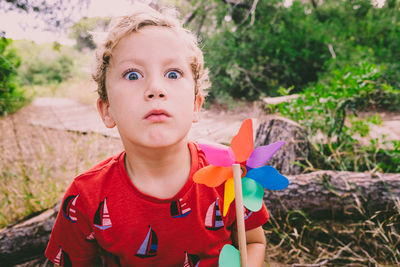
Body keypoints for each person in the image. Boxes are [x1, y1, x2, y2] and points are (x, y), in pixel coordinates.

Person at [45, 4, 268, 267]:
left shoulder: (228, 175)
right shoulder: (86, 197)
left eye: (173, 74)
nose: (155, 88)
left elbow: (253, 241)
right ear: (107, 111)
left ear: (196, 105)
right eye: (132, 74)